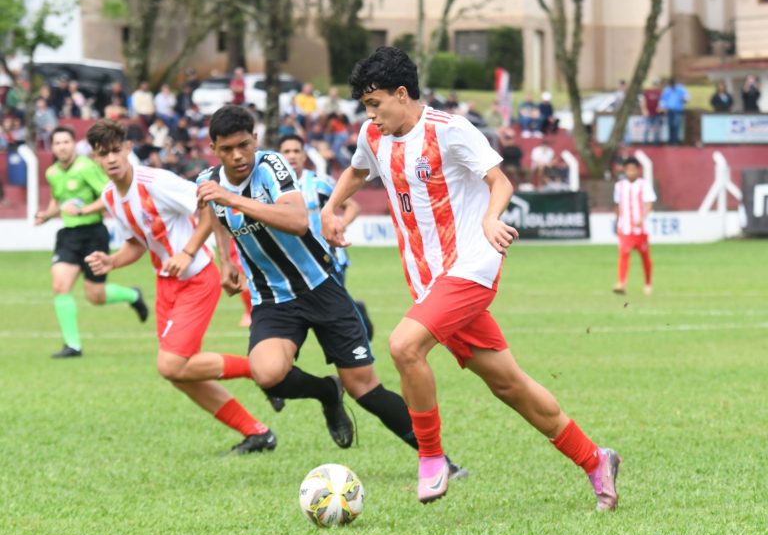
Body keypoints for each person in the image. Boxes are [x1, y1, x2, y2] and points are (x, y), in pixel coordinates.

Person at [321, 46, 620, 508]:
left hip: (470, 267)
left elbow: (499, 182)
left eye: (376, 102)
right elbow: (358, 170)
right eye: (365, 105)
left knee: (403, 345)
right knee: (509, 385)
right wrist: (331, 207)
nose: (370, 114)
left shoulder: (451, 131)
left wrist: (490, 218)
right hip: (428, 283)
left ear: (402, 94)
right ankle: (595, 459)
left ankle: (432, 456)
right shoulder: (373, 135)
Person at [196, 105, 467, 475]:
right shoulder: (209, 182)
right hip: (272, 298)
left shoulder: (272, 166)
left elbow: (294, 220)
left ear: (255, 140)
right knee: (267, 373)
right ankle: (326, 391)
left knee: (364, 386)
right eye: (227, 149)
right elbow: (215, 215)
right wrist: (226, 261)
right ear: (213, 148)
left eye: (244, 145)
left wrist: (235, 200)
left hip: (320, 287)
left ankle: (437, 460)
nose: (238, 155)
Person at [83, 119, 277, 455]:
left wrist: (187, 252)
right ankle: (256, 431)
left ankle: (261, 372)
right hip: (166, 284)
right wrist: (112, 261)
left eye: (117, 150)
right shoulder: (111, 197)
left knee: (171, 365)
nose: (112, 158)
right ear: (95, 159)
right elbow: (137, 243)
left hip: (197, 279)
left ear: (128, 149)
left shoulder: (156, 182)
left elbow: (210, 209)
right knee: (179, 374)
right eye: (104, 154)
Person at [33, 126, 148, 358]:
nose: (62, 146)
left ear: (74, 144)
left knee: (94, 295)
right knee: (59, 286)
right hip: (68, 235)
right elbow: (58, 201)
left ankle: (133, 295)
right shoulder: (52, 172)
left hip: (93, 233)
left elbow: (108, 196)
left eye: (66, 141)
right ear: (53, 147)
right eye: (57, 143)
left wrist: (83, 210)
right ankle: (73, 345)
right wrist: (46, 214)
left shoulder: (87, 167)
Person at [278, 133, 374, 338]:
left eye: (296, 151)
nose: (292, 156)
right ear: (279, 156)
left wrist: (339, 225)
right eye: (287, 152)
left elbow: (352, 207)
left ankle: (358, 335)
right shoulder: (274, 188)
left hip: (328, 257)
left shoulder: (319, 183)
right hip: (296, 261)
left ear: (305, 156)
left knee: (335, 307)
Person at [612, 157, 655, 296]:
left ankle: (648, 283)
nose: (631, 172)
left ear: (638, 170)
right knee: (624, 253)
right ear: (624, 170)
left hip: (640, 228)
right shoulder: (619, 186)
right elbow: (617, 205)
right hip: (624, 227)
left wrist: (642, 218)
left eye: (633, 169)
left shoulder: (644, 184)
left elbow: (649, 203)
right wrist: (617, 220)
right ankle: (621, 283)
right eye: (628, 170)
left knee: (645, 256)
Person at [660, 78, 688, 145]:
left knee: (676, 125)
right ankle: (670, 141)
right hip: (669, 110)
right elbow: (663, 100)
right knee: (670, 126)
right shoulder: (667, 90)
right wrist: (663, 108)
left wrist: (685, 99)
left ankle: (675, 141)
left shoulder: (681, 89)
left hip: (677, 110)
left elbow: (686, 97)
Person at [641, 78, 663, 144]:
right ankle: (645, 143)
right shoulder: (647, 92)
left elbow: (662, 102)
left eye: (656, 84)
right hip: (648, 113)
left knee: (657, 129)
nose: (655, 85)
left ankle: (656, 143)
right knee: (646, 129)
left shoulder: (660, 92)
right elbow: (643, 101)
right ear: (652, 84)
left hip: (656, 113)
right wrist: (644, 110)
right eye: (654, 84)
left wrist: (660, 108)